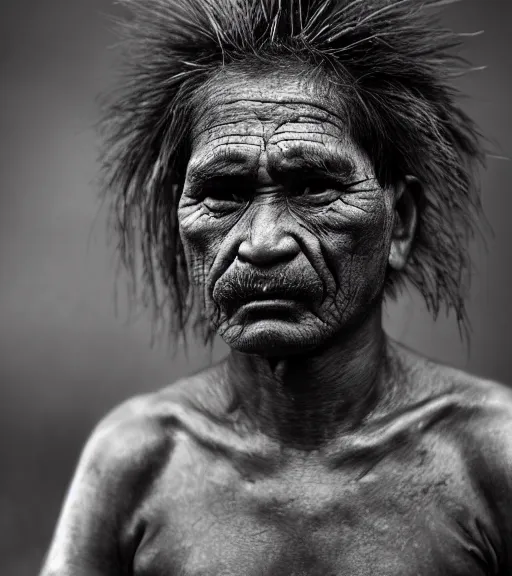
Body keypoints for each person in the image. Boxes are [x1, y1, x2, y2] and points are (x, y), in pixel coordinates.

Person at [41, 1, 512, 574]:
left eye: (313, 187)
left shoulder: (489, 453)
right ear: (180, 223)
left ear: (400, 222)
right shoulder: (139, 460)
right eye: (223, 193)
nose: (262, 243)